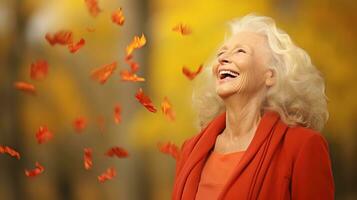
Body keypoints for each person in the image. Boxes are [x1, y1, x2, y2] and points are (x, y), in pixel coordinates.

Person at [172, 14, 335, 200]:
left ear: (270, 75)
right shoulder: (190, 150)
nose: (223, 58)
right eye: (221, 53)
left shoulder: (302, 146)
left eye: (240, 51)